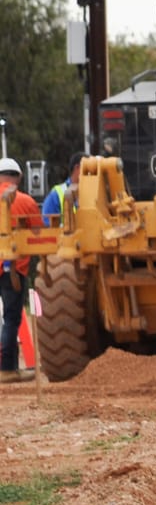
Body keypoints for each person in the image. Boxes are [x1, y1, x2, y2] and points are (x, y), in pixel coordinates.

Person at [0, 158, 42, 380]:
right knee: (11, 318)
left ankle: (11, 367)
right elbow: (39, 234)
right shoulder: (25, 201)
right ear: (18, 177)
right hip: (12, 270)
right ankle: (7, 369)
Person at [42, 152, 84, 227]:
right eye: (88, 168)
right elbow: (47, 223)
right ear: (77, 168)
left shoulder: (95, 193)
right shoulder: (56, 194)